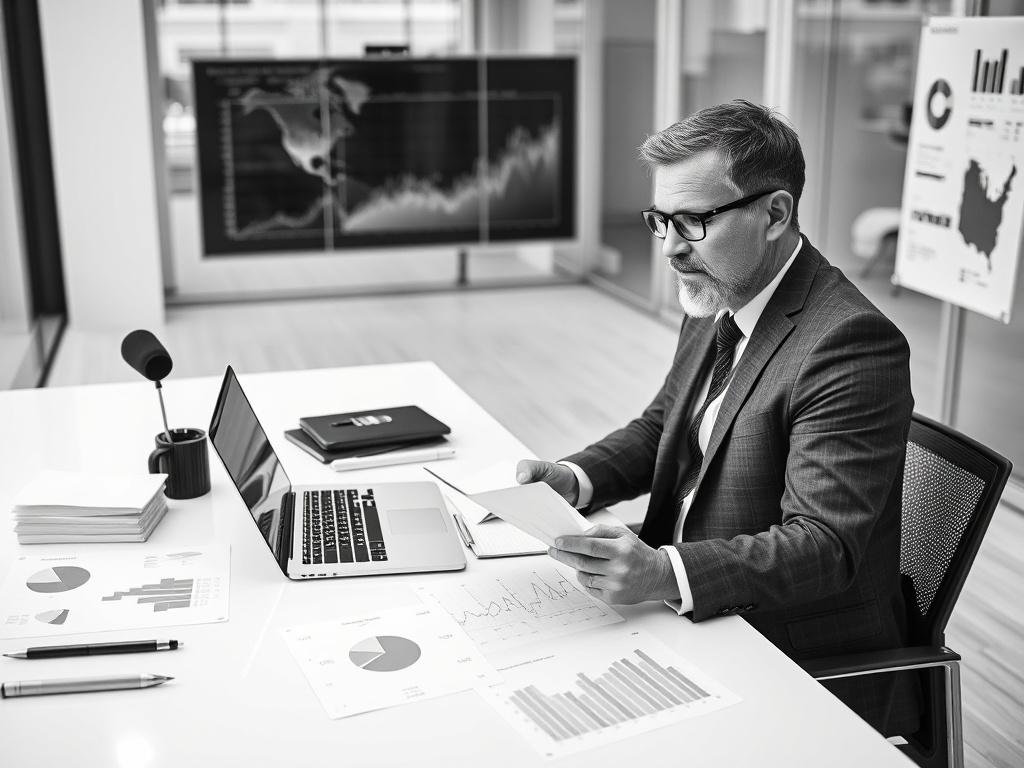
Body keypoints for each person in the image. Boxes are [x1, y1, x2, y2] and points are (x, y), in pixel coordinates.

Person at [517, 99, 917, 735]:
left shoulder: (850, 341)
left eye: (695, 221)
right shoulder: (720, 291)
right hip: (688, 610)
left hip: (785, 649)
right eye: (660, 220)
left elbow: (826, 544)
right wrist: (574, 478)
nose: (672, 249)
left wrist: (663, 572)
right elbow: (663, 428)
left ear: (775, 214)